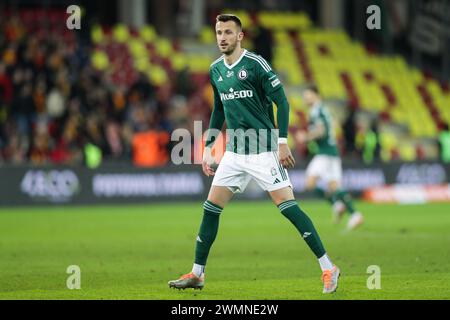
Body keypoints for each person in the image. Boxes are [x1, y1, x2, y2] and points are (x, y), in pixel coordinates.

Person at [168, 14, 340, 294]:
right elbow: (219, 110)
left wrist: (282, 141)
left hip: (263, 149)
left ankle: (328, 267)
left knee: (288, 207)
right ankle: (198, 274)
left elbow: (281, 102)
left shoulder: (256, 64)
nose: (222, 37)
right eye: (218, 32)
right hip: (235, 151)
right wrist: (211, 146)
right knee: (211, 208)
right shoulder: (215, 70)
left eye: (227, 32)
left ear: (240, 36)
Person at [295, 84, 364, 230]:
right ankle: (353, 213)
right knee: (334, 185)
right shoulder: (322, 110)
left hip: (325, 152)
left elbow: (322, 131)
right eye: (305, 96)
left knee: (310, 182)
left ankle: (339, 206)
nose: (306, 98)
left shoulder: (317, 111)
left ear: (316, 95)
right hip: (331, 152)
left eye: (308, 95)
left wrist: (305, 137)